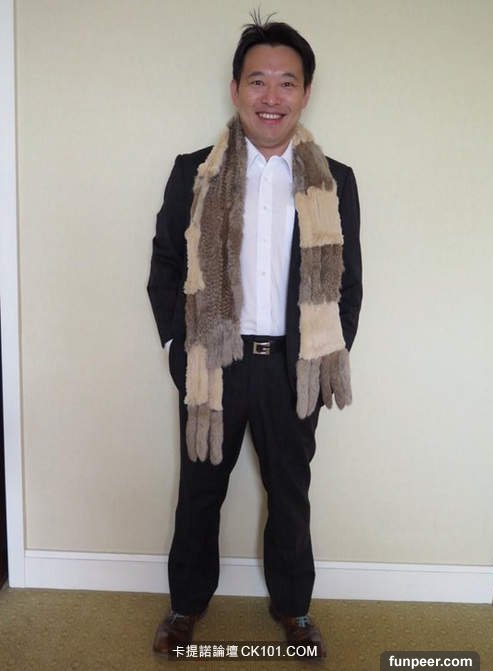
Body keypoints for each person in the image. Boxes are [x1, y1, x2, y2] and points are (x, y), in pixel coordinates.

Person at [147, 13, 362, 659]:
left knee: (291, 497)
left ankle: (294, 610)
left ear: (306, 92)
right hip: (214, 362)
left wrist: (323, 353)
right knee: (199, 495)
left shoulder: (335, 180)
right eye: (258, 80)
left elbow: (348, 283)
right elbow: (165, 264)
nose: (272, 96)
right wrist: (177, 349)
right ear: (236, 88)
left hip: (293, 365)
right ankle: (185, 607)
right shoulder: (194, 171)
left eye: (287, 82)